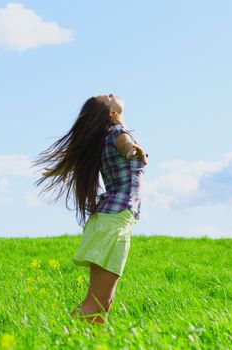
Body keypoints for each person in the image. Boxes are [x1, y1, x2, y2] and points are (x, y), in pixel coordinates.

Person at [32, 93, 147, 324]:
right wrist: (131, 149)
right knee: (95, 304)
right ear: (112, 114)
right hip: (113, 221)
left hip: (109, 220)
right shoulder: (117, 134)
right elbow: (124, 143)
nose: (112, 94)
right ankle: (55, 339)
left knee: (103, 304)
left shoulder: (104, 138)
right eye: (108, 97)